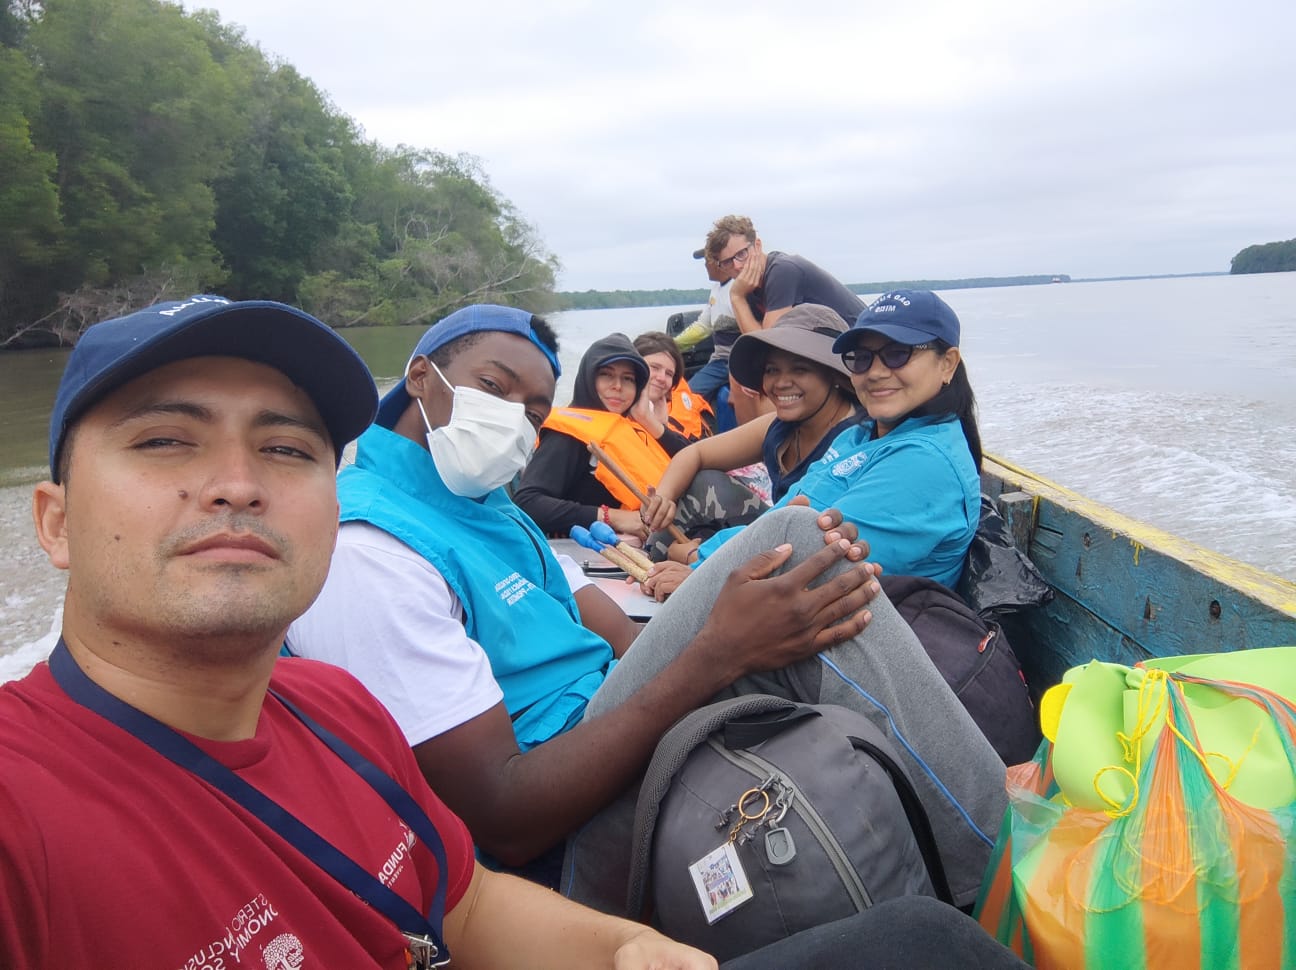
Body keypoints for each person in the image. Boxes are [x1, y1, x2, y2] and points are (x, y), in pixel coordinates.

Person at [0, 295, 719, 968]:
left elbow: (467, 906)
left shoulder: (341, 710)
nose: (238, 484)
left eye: (286, 449)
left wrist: (626, 947)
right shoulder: (23, 816)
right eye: (164, 440)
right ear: (56, 523)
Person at [286, 303, 1008, 922]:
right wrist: (717, 655)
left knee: (792, 580)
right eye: (493, 388)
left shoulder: (482, 505)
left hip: (610, 724)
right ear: (419, 377)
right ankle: (1002, 868)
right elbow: (503, 821)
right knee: (798, 541)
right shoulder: (371, 552)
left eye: (533, 413)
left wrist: (719, 644)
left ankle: (977, 838)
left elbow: (606, 626)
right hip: (567, 827)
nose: (512, 422)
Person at [654, 290, 981, 593]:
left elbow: (817, 558)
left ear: (947, 364)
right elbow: (784, 517)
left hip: (853, 624)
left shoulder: (924, 463)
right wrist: (705, 557)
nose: (875, 372)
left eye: (898, 354)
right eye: (862, 358)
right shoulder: (861, 435)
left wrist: (699, 565)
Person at [653, 304, 865, 537]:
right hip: (774, 531)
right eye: (772, 370)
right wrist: (663, 498)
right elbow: (695, 454)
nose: (781, 383)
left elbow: (803, 533)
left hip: (814, 543)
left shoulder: (856, 442)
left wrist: (696, 553)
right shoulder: (778, 427)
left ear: (834, 375)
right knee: (702, 482)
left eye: (800, 370)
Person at [513, 332, 689, 542]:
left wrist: (647, 418)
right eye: (606, 375)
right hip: (592, 549)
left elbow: (691, 458)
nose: (618, 386)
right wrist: (611, 517)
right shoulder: (568, 435)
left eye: (628, 379)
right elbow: (527, 503)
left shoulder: (634, 427)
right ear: (588, 378)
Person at [674, 247, 740, 403]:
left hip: (736, 362)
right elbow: (702, 327)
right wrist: (670, 346)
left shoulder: (738, 288)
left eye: (707, 260)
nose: (705, 265)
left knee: (686, 399)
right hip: (719, 361)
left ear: (719, 262)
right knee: (682, 393)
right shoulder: (716, 289)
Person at [633, 330, 714, 441]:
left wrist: (662, 426)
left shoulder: (671, 417)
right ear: (633, 365)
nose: (662, 378)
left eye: (669, 374)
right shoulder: (615, 414)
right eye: (655, 367)